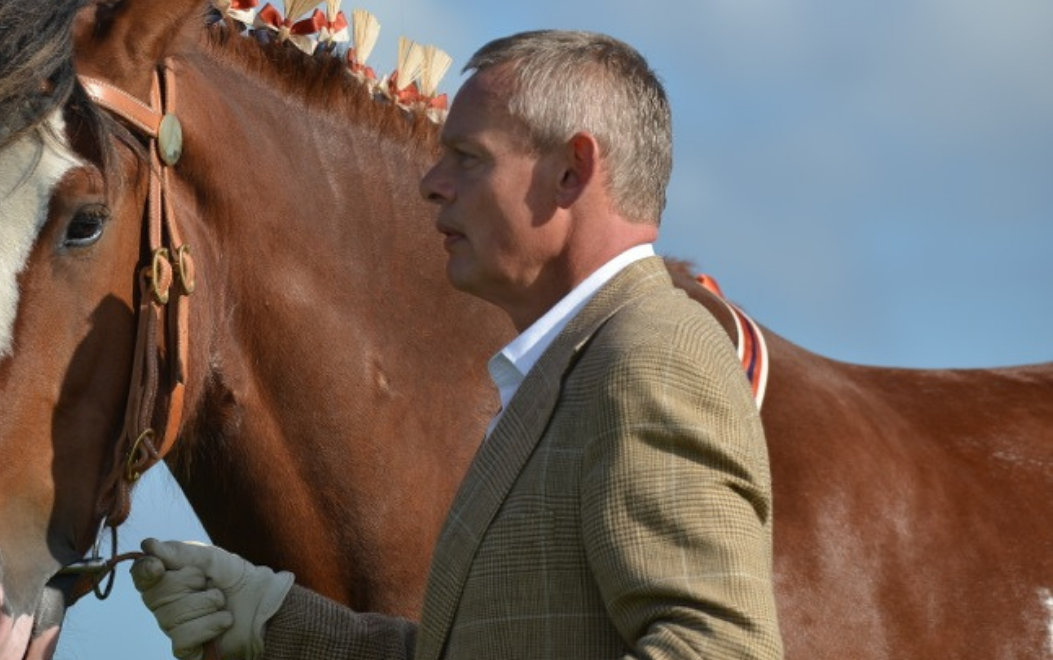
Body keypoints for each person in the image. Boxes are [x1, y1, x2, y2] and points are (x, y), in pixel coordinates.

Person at [131, 30, 784, 659]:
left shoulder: (651, 357)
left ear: (571, 172)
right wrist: (271, 622)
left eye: (468, 158)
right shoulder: (572, 369)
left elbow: (722, 649)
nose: (432, 183)